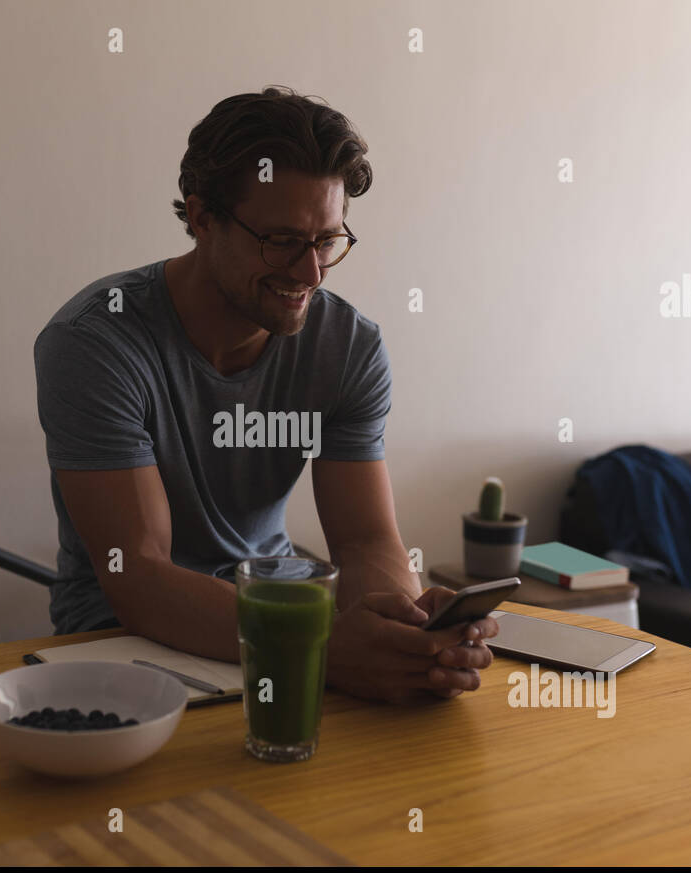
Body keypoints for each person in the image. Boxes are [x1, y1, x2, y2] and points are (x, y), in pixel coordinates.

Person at [34, 86, 498, 703]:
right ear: (202, 218)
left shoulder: (347, 347)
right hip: (123, 645)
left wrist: (407, 628)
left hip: (291, 617)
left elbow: (364, 541)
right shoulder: (95, 342)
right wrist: (318, 647)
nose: (310, 274)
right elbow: (141, 578)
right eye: (281, 241)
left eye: (327, 242)